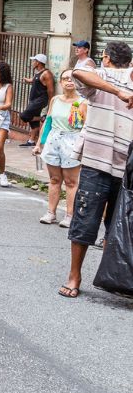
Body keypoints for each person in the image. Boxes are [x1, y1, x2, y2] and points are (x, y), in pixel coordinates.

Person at [61, 42, 133, 298]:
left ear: (106, 57)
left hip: (127, 168)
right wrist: (118, 92)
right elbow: (77, 74)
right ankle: (74, 275)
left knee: (120, 224)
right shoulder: (101, 75)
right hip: (96, 162)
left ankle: (113, 276)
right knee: (85, 219)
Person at [34, 69, 87, 227]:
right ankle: (51, 212)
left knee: (71, 182)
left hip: (72, 140)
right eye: (65, 78)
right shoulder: (55, 100)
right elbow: (48, 123)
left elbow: (85, 128)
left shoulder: (83, 102)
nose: (69, 81)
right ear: (61, 82)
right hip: (54, 140)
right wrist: (39, 144)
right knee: (54, 179)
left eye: (72, 79)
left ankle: (70, 215)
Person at [20, 54, 55, 147]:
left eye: (34, 61)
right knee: (33, 122)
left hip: (40, 100)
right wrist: (27, 80)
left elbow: (50, 90)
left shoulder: (47, 74)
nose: (32, 63)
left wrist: (51, 102)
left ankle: (43, 118)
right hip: (34, 99)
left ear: (38, 62)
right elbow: (34, 80)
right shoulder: (39, 73)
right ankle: (31, 141)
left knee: (24, 115)